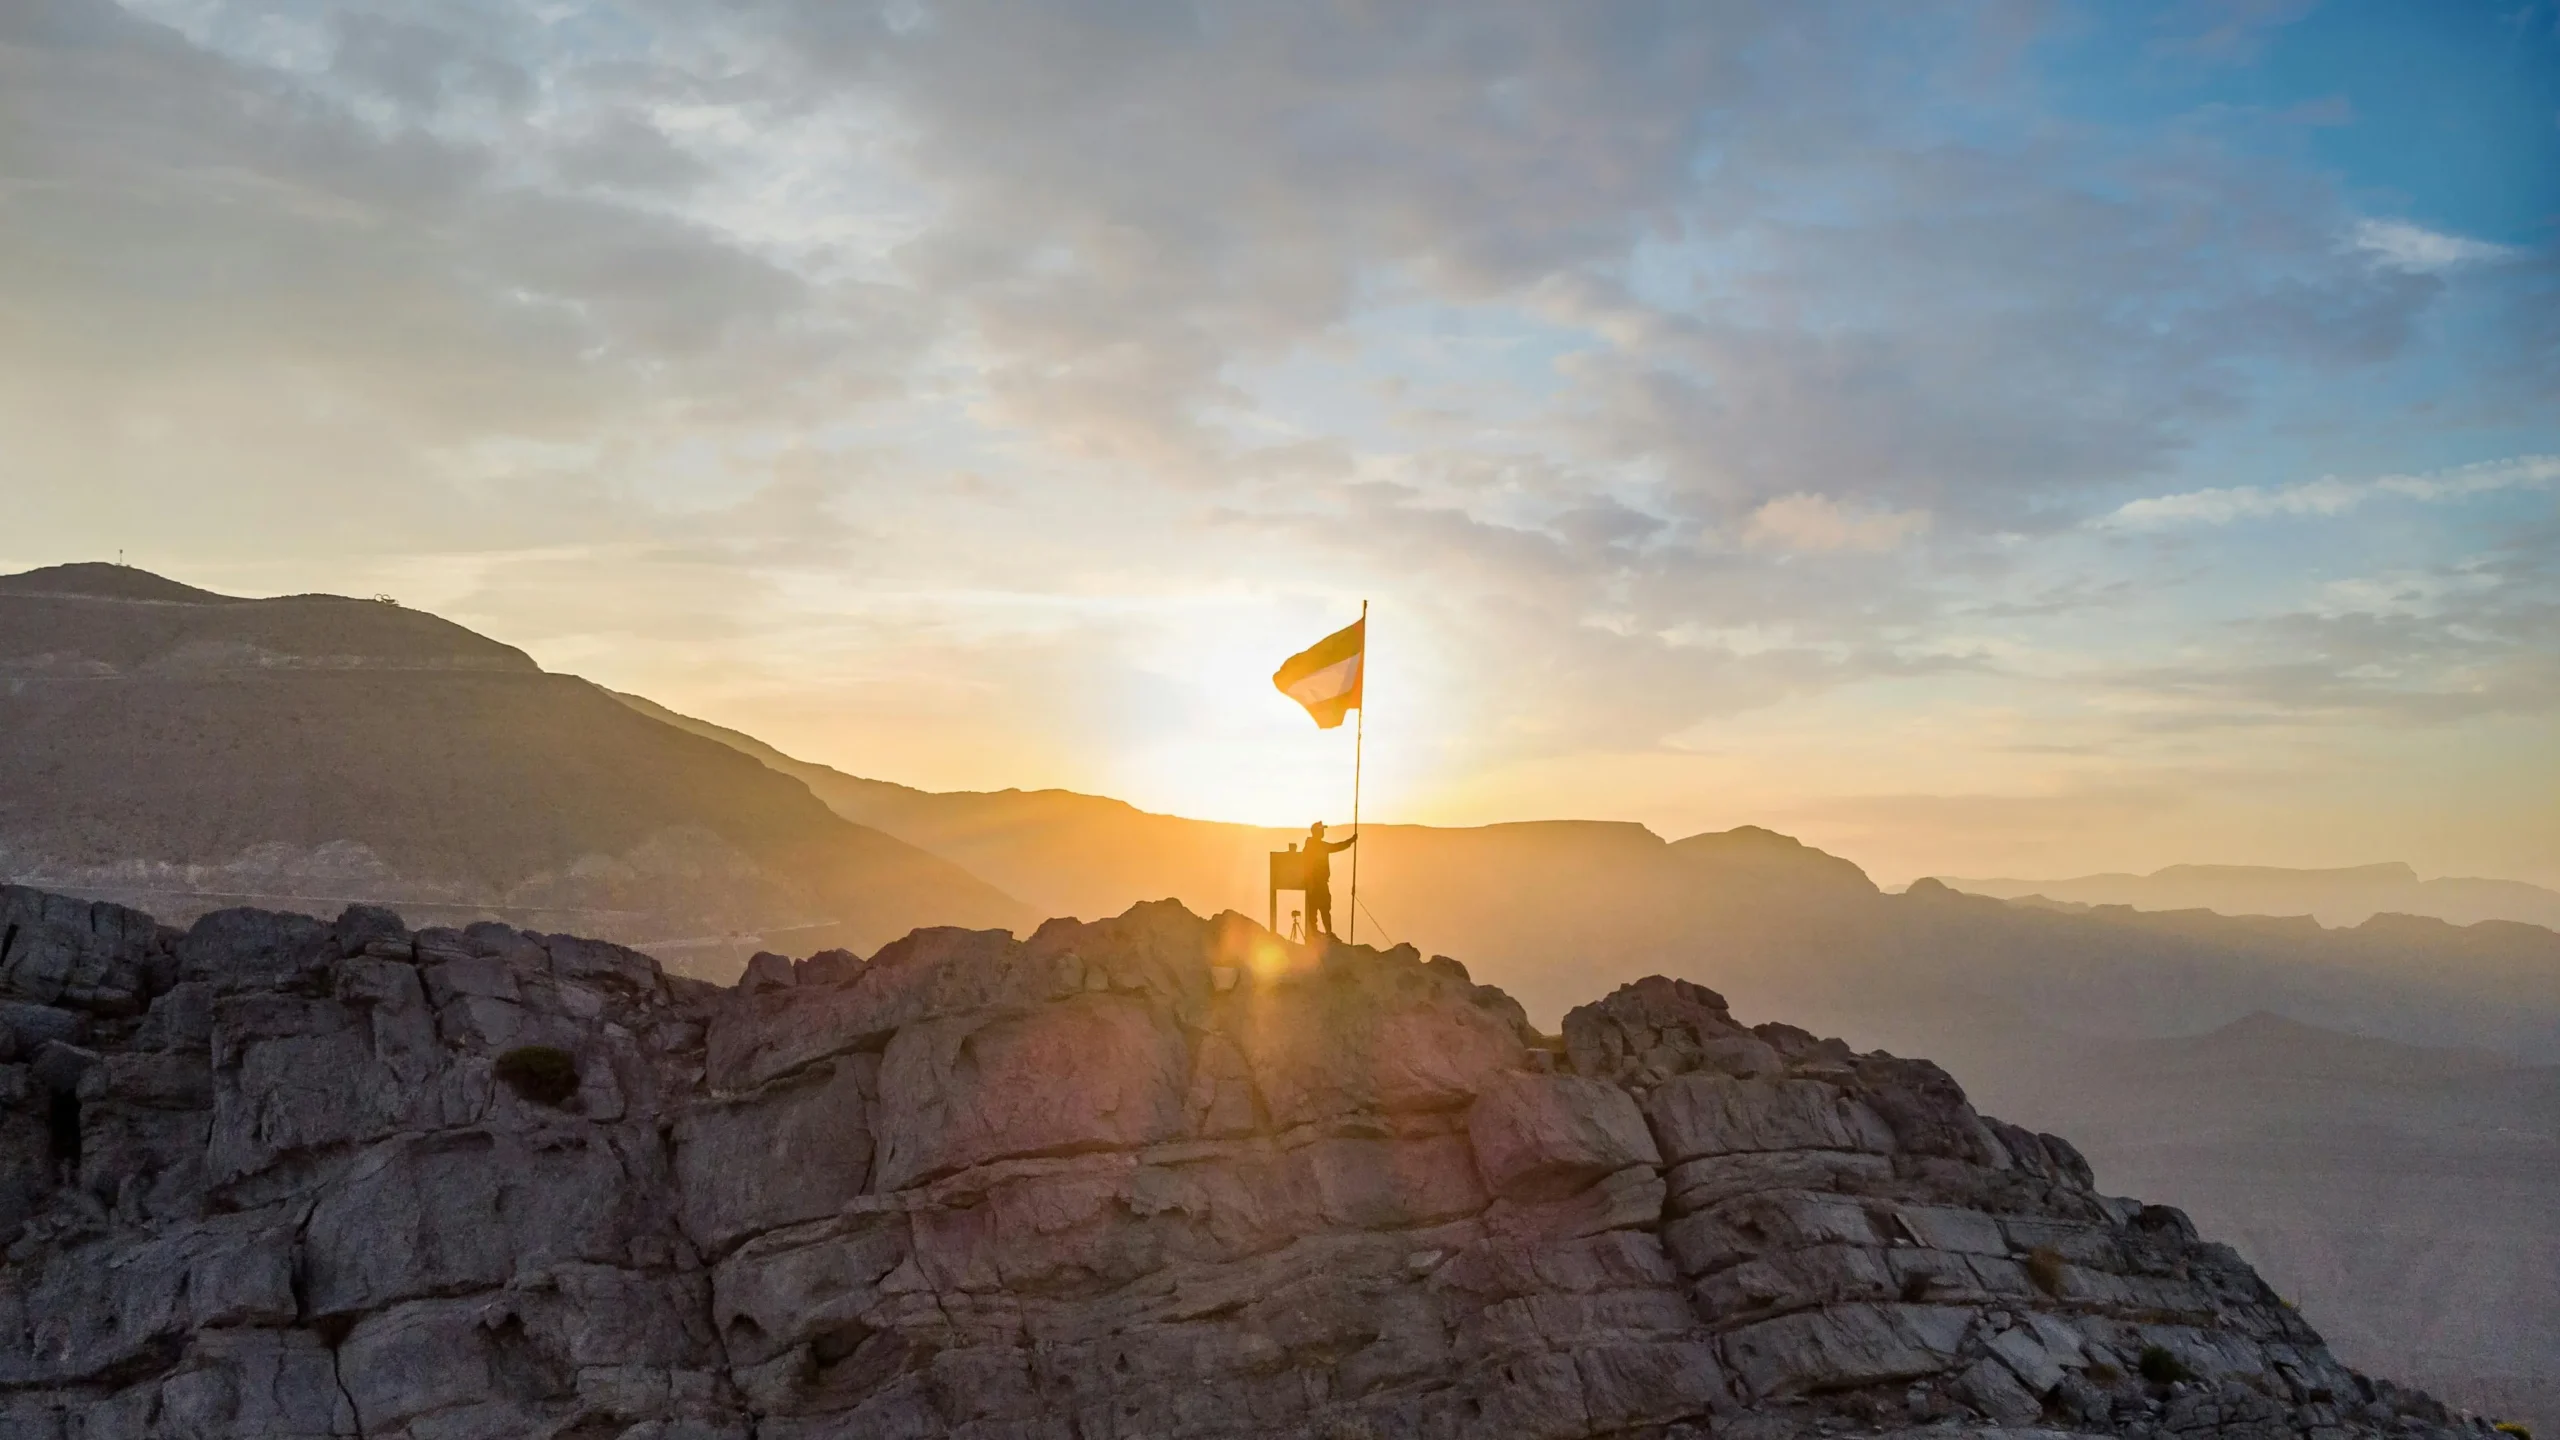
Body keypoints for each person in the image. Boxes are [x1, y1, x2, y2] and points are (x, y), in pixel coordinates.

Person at [1301, 821, 1356, 936]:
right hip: (1316, 884)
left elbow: (1336, 846)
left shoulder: (1315, 846)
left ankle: (1321, 932)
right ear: (1316, 832)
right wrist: (1350, 841)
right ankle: (1321, 933)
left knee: (1320, 908)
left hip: (1317, 883)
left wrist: (1350, 841)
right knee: (1318, 908)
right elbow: (1336, 847)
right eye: (1321, 830)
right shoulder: (1316, 847)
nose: (1323, 832)